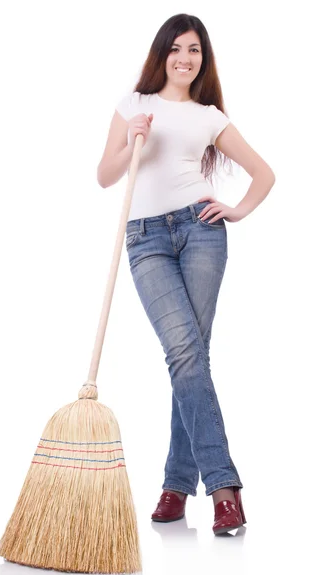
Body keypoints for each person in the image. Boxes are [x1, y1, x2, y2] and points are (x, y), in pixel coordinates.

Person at [97, 13, 275, 534]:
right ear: (162, 53)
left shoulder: (209, 116)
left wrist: (236, 211)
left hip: (201, 233)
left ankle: (178, 488)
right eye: (177, 48)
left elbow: (265, 174)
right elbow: (104, 176)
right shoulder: (134, 105)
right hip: (145, 238)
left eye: (194, 49)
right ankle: (220, 486)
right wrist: (131, 139)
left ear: (203, 57)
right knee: (187, 353)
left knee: (188, 356)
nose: (185, 57)